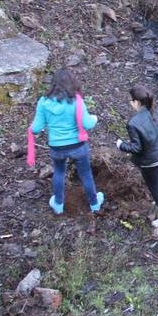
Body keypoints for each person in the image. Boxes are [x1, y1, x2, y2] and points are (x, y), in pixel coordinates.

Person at [28, 69, 104, 215]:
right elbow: (87, 124)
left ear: (53, 83)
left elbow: (36, 128)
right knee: (86, 174)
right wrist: (94, 118)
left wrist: (30, 129)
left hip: (57, 147)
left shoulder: (44, 102)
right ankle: (95, 205)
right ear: (72, 82)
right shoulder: (76, 100)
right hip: (78, 146)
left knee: (59, 172)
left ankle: (58, 204)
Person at [116, 84, 158, 229]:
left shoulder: (133, 123)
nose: (131, 104)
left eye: (131, 101)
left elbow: (136, 148)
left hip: (150, 161)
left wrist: (120, 145)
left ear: (137, 101)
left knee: (154, 187)